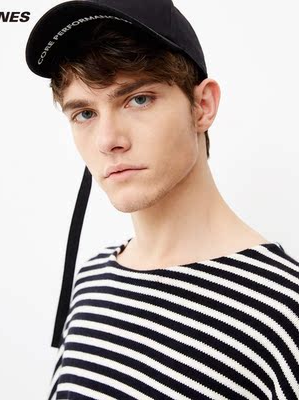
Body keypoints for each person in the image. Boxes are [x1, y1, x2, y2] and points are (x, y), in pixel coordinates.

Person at [25, 1, 299, 398]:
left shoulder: (283, 311)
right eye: (84, 113)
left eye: (138, 99)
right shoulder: (91, 283)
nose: (108, 140)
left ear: (203, 106)